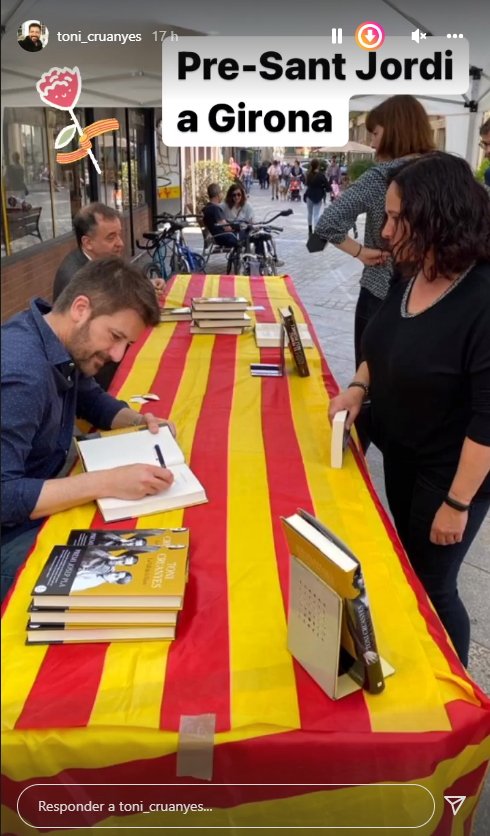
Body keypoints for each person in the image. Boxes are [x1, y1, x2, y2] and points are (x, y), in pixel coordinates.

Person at [328, 152, 490, 667]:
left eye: (399, 218)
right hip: (403, 452)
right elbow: (384, 346)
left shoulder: (482, 296)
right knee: (410, 571)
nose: (387, 229)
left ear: (437, 218)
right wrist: (357, 385)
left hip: (449, 473)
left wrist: (458, 503)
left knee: (434, 584)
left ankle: (452, 693)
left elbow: (489, 418)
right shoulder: (413, 269)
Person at [1, 257, 176, 600]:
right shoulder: (23, 374)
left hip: (46, 490)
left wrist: (140, 422)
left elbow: (93, 401)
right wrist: (108, 482)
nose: (116, 355)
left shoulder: (55, 339)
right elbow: (4, 498)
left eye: (126, 344)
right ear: (81, 308)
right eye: (114, 337)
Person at [314, 95, 435, 367]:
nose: (371, 142)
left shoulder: (380, 176)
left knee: (369, 378)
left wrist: (360, 252)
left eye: (375, 133)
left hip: (381, 292)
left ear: (394, 131)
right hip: (437, 295)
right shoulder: (447, 172)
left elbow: (328, 224)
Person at [53, 203, 164, 389]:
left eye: (119, 234)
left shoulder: (96, 262)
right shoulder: (74, 276)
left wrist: (144, 287)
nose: (120, 243)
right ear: (87, 242)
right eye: (111, 237)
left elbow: (115, 290)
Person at [202, 183, 241, 248]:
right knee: (249, 234)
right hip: (225, 237)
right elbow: (226, 227)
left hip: (218, 236)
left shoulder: (206, 208)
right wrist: (235, 227)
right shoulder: (215, 209)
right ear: (218, 195)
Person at [304, 158, 329, 236]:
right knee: (316, 214)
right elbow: (328, 187)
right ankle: (316, 231)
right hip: (318, 196)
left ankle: (310, 229)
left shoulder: (308, 175)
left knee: (310, 213)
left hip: (309, 195)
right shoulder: (321, 176)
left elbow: (307, 184)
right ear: (318, 166)